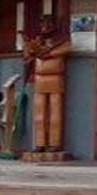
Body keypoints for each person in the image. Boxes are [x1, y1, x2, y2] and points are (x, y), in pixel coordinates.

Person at [23, 15, 72, 152]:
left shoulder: (61, 39)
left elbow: (68, 48)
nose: (45, 26)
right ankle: (40, 143)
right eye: (43, 23)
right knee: (39, 113)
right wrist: (31, 51)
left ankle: (54, 143)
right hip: (40, 78)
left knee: (55, 112)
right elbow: (28, 55)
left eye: (48, 23)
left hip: (55, 77)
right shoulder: (38, 40)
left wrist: (50, 53)